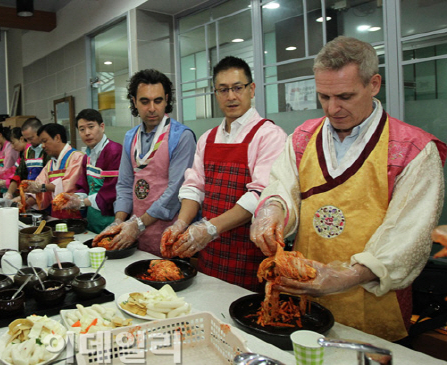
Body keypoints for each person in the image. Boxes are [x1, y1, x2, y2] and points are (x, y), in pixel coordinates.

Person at [250, 36, 447, 341]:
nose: (333, 108)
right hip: (307, 302)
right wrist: (272, 209)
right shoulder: (302, 138)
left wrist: (350, 275)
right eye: (323, 97)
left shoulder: (413, 150)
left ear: (375, 84)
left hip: (374, 306)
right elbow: (281, 185)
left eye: (345, 96)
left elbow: (409, 234)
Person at [160, 57, 287, 292]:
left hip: (249, 253)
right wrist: (181, 223)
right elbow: (194, 186)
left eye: (238, 88)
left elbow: (260, 195)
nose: (231, 96)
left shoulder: (269, 135)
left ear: (252, 89)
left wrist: (209, 229)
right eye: (223, 90)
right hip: (210, 252)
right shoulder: (207, 138)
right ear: (215, 94)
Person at [93, 69, 197, 256]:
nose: (151, 108)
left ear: (166, 99)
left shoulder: (181, 137)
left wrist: (138, 223)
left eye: (158, 100)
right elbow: (124, 185)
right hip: (134, 236)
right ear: (134, 102)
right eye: (144, 101)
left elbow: (175, 192)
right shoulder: (130, 137)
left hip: (169, 234)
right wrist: (119, 222)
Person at [60, 109, 122, 233]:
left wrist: (83, 201)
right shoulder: (86, 156)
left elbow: (113, 191)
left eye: (91, 127)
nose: (87, 133)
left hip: (111, 219)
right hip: (92, 220)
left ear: (102, 127)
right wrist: (76, 197)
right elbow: (84, 185)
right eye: (82, 129)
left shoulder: (114, 151)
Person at [23, 123, 86, 219]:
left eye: (45, 141)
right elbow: (40, 184)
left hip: (75, 215)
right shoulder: (50, 164)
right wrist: (25, 202)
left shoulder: (77, 157)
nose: (43, 146)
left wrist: (42, 187)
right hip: (56, 214)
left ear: (57, 138)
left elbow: (68, 186)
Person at [4, 118, 50, 199]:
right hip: (29, 196)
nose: (28, 142)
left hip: (44, 196)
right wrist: (9, 193)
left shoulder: (48, 151)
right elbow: (19, 174)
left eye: (31, 138)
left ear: (40, 133)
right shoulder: (28, 151)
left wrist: (29, 197)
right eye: (26, 139)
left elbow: (48, 179)